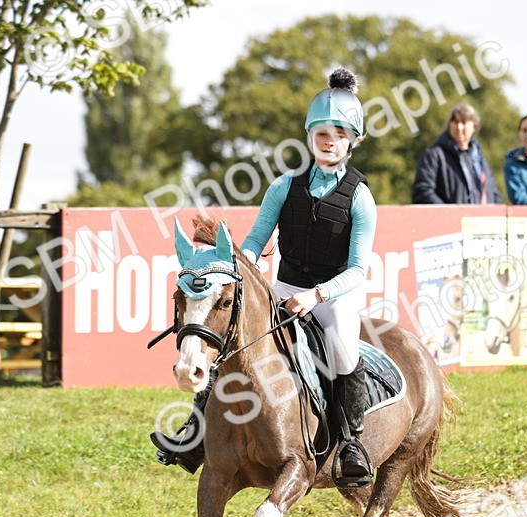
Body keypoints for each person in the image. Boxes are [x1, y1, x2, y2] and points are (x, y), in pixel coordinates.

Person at [152, 68, 378, 485]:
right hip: (286, 287)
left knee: (344, 349)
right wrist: (240, 268)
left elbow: (358, 269)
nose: (329, 141)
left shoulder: (361, 197)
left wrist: (317, 296)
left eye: (340, 134)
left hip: (333, 296)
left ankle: (351, 444)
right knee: (233, 340)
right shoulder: (283, 186)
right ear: (311, 136)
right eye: (323, 133)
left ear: (352, 141)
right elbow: (256, 240)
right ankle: (195, 433)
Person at [411, 101, 502, 205]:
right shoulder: (434, 155)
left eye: (463, 122)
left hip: (479, 220)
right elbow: (423, 192)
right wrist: (450, 214)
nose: (459, 127)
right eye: (455, 122)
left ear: (474, 126)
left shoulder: (480, 160)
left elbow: (494, 194)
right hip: (447, 220)